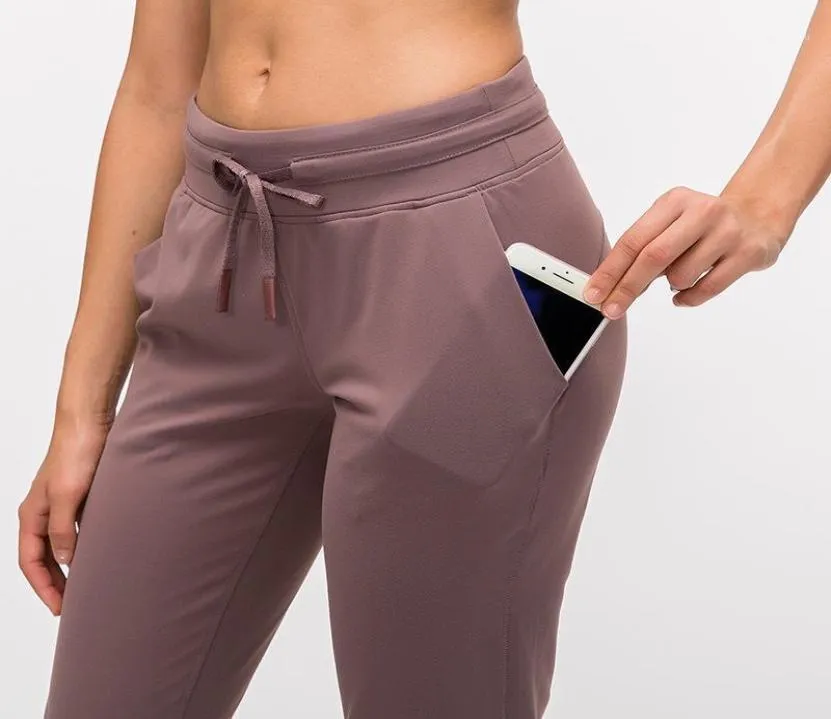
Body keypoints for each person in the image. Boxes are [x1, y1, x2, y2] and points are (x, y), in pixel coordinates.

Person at [16, 1, 831, 717]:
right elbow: (157, 87)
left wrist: (769, 196)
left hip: (463, 265)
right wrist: (80, 410)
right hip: (217, 269)